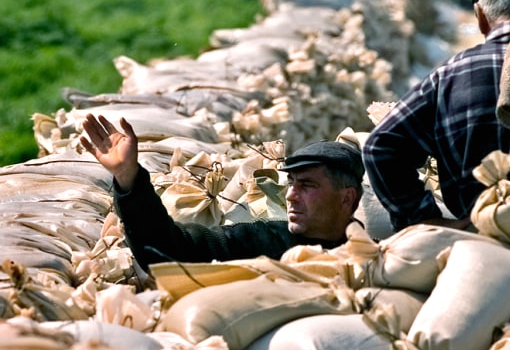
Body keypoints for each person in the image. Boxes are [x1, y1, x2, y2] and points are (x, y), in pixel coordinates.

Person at [363, 0, 510, 233]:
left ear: (480, 16)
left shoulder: (447, 77)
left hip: (483, 239)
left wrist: (424, 219)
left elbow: (379, 146)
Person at [79, 114, 364, 271]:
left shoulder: (376, 257)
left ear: (347, 198)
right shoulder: (261, 241)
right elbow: (169, 250)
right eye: (291, 183)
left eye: (308, 186)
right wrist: (128, 178)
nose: (290, 195)